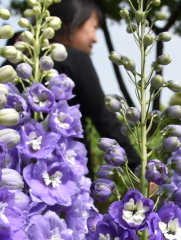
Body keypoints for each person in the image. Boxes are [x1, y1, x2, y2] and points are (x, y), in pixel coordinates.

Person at [47, 0, 140, 168]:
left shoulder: (17, 60)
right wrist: (137, 166)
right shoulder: (75, 58)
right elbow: (104, 118)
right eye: (93, 27)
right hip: (66, 175)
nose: (95, 38)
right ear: (71, 23)